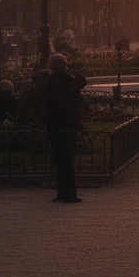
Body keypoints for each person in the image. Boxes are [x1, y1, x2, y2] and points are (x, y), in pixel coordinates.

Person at [44, 53, 85, 203]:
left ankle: (62, 191)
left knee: (60, 161)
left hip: (56, 126)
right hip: (69, 126)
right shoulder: (70, 81)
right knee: (68, 160)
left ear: (52, 66)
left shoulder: (51, 82)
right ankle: (70, 192)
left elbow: (49, 107)